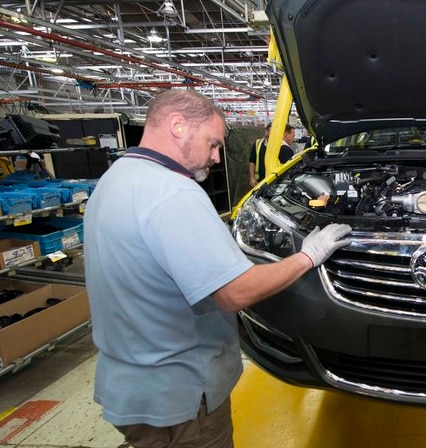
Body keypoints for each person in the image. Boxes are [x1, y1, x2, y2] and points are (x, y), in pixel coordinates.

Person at [83, 90, 352, 448]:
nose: (216, 156)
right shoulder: (173, 193)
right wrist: (308, 256)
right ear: (177, 126)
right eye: (212, 143)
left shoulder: (118, 177)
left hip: (133, 386)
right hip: (181, 400)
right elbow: (235, 291)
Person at [248, 122, 271, 187]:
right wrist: (252, 178)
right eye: (269, 131)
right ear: (266, 131)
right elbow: (252, 161)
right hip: (260, 180)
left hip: (274, 179)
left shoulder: (280, 145)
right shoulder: (258, 143)